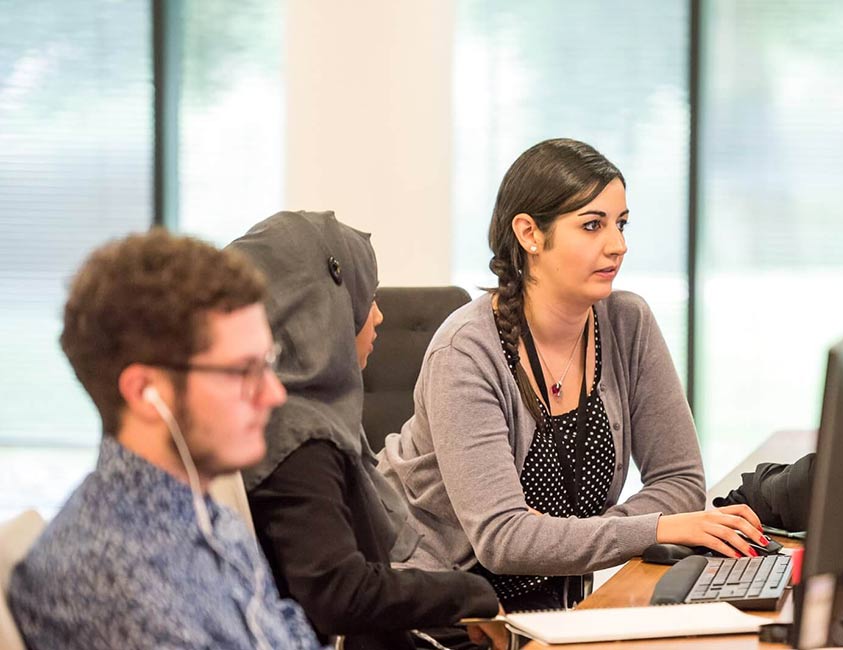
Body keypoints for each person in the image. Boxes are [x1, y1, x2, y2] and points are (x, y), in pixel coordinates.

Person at [379, 138, 767, 610]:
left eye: (621, 224)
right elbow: (503, 539)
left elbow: (681, 481)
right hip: (446, 608)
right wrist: (654, 528)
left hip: (557, 604)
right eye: (592, 225)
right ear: (529, 234)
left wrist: (574, 536)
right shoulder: (466, 351)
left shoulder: (627, 323)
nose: (618, 245)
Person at [8, 229, 328, 649]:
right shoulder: (113, 582)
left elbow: (286, 631)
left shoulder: (204, 513)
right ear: (145, 392)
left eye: (268, 363)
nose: (274, 393)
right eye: (242, 371)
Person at [228, 211, 503, 650]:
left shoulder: (290, 419)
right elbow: (339, 594)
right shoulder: (299, 439)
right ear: (321, 308)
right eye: (365, 297)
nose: (378, 316)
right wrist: (468, 594)